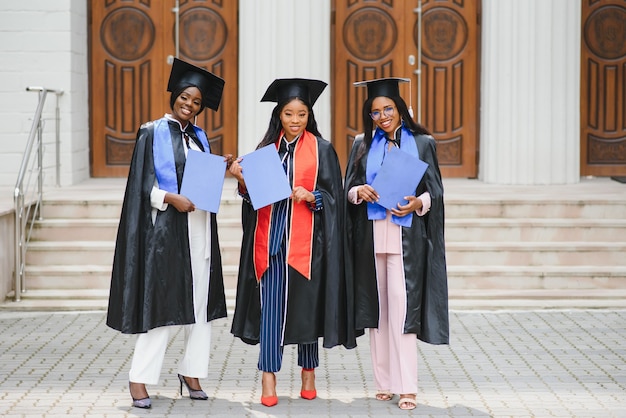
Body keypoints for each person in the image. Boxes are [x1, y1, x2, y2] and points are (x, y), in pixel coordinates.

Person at [106, 58, 230, 409]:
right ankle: (139, 378)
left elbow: (200, 179)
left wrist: (218, 166)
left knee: (200, 308)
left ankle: (192, 373)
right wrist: (168, 198)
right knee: (162, 307)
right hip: (166, 232)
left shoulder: (200, 137)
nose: (189, 105)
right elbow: (139, 185)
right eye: (185, 97)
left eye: (196, 102)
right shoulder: (152, 132)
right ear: (175, 94)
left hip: (200, 229)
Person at [229, 78, 353, 407]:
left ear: (309, 115)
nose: (295, 120)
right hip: (270, 244)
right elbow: (251, 199)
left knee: (306, 310)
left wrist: (313, 197)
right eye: (288, 113)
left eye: (301, 113)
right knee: (271, 311)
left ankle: (308, 373)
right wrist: (242, 181)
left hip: (308, 246)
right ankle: (268, 378)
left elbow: (334, 197)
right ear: (278, 116)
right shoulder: (263, 153)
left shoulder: (323, 150)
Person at [345, 77, 449, 411]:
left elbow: (435, 192)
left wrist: (418, 203)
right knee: (378, 313)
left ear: (400, 108)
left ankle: (407, 386)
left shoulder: (421, 143)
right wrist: (358, 192)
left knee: (403, 313)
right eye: (375, 111)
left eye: (388, 108)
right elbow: (349, 188)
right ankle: (383, 382)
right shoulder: (362, 144)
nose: (382, 116)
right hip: (371, 237)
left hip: (406, 238)